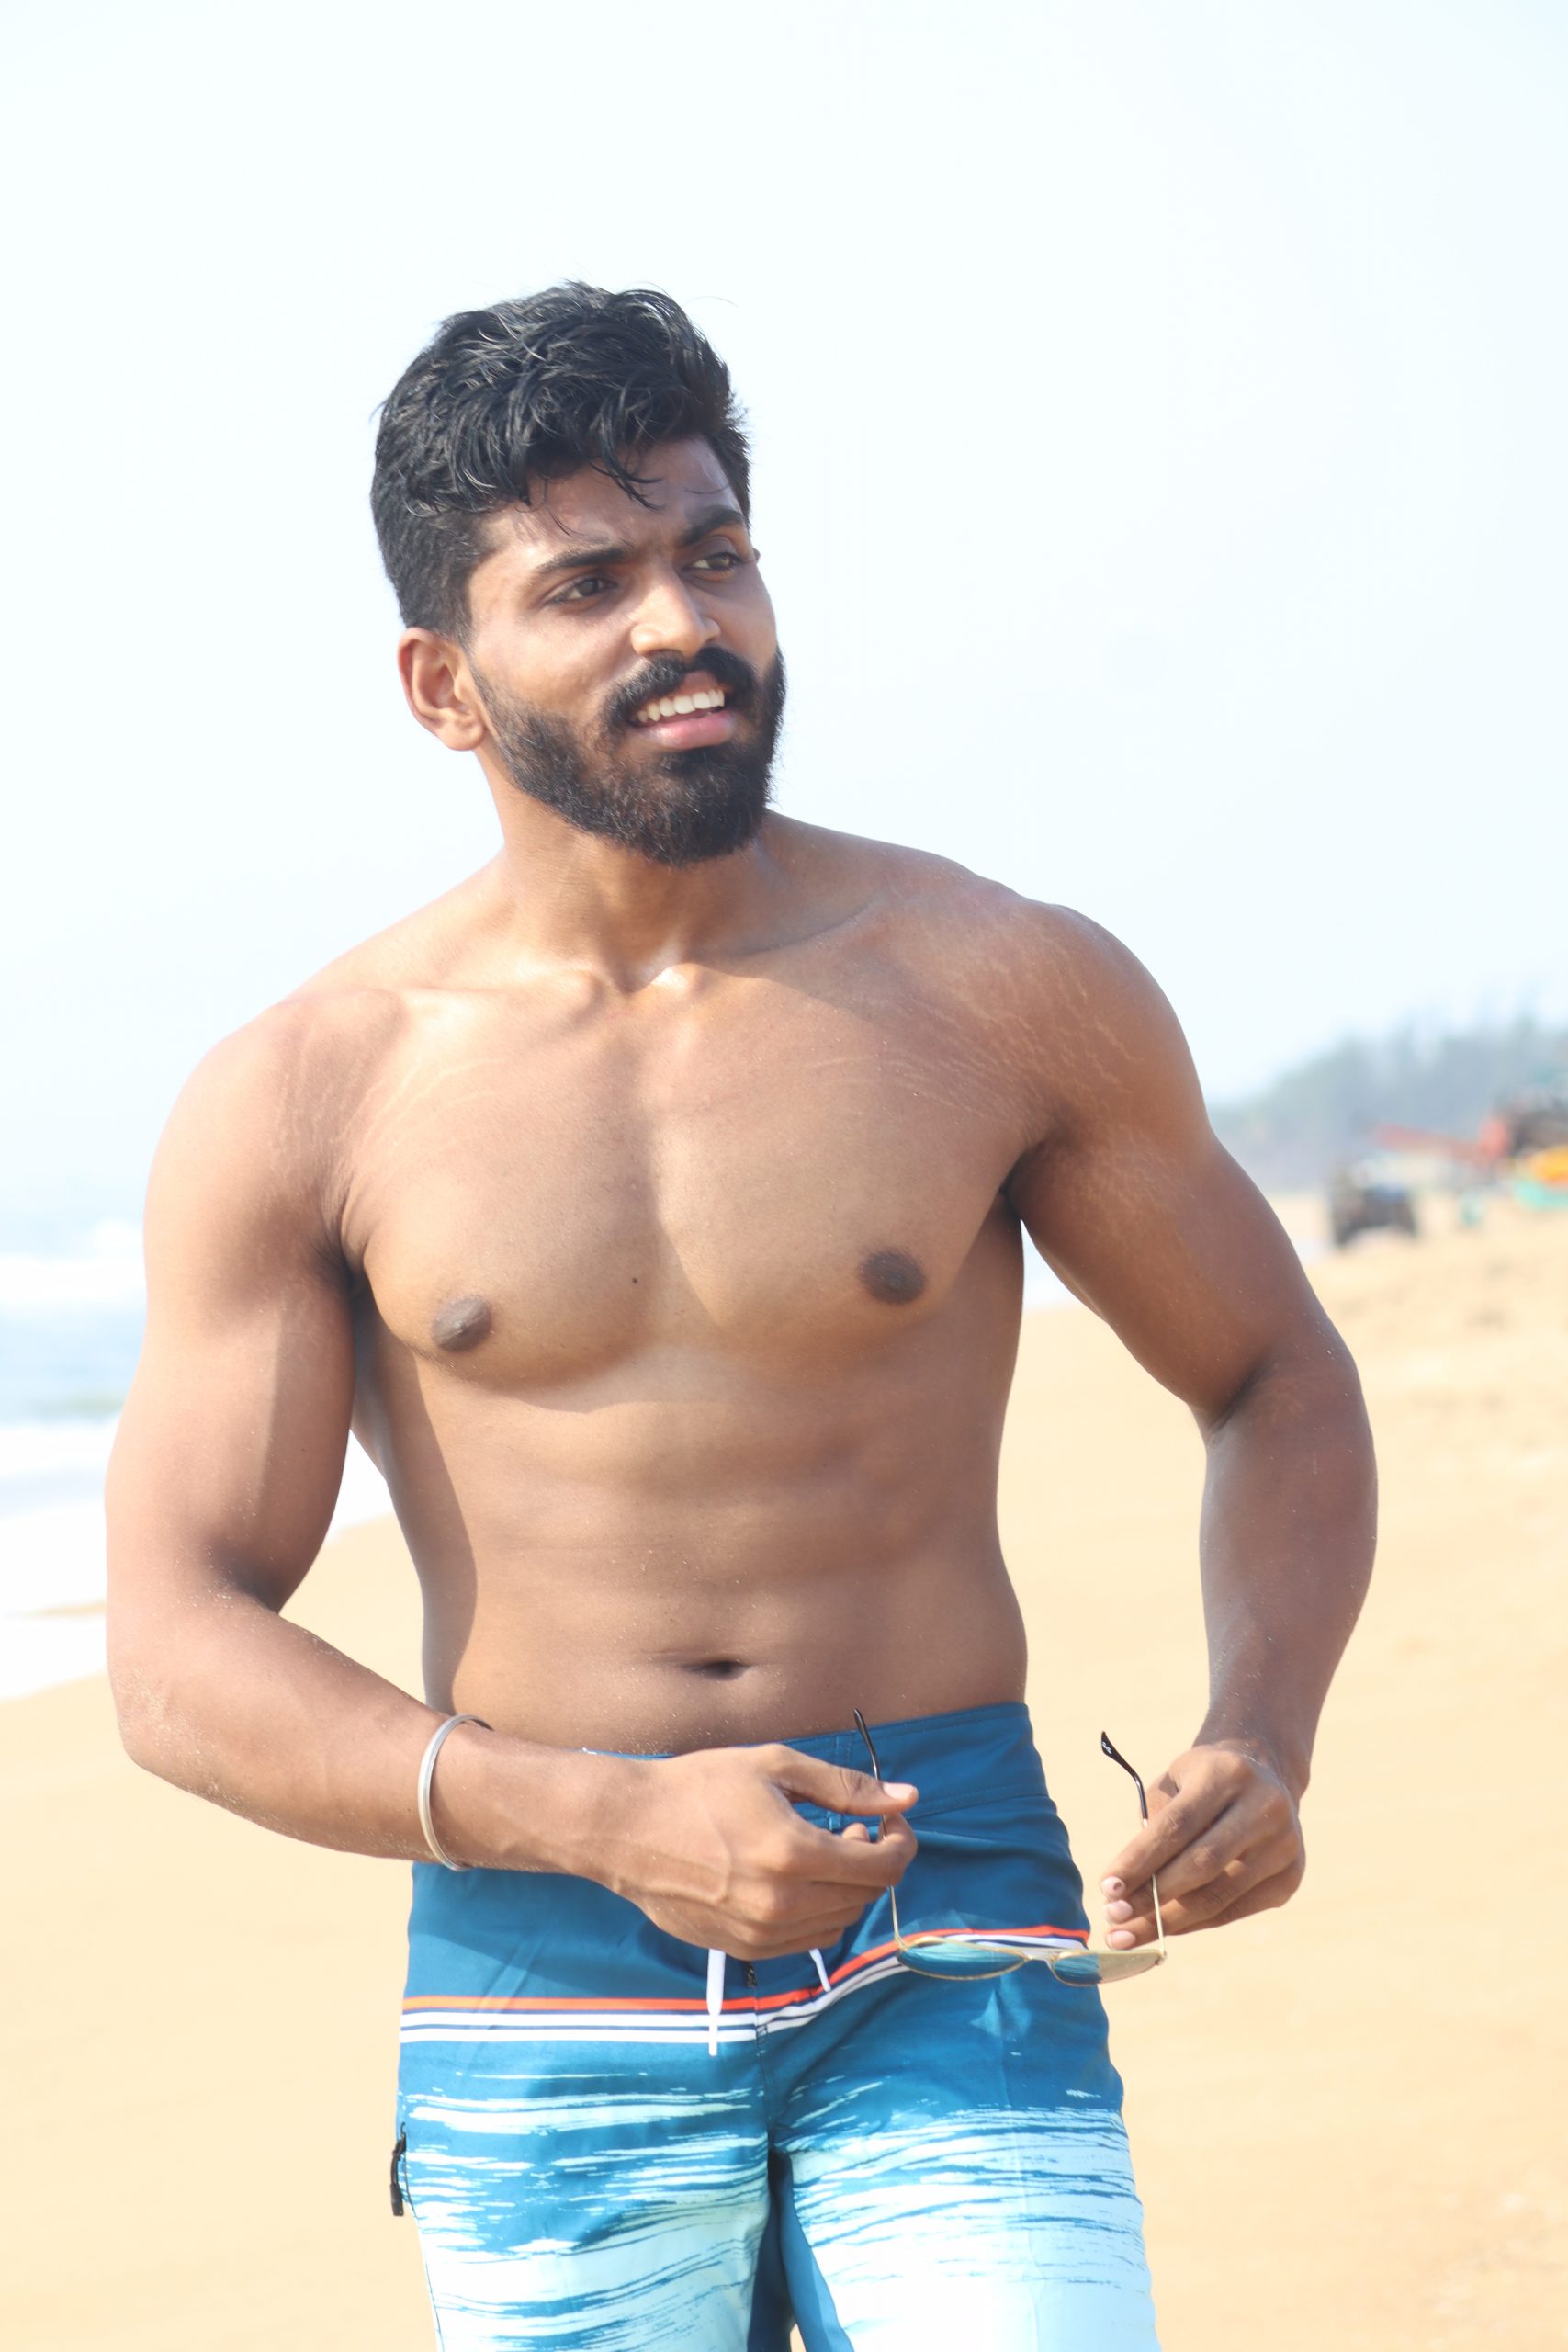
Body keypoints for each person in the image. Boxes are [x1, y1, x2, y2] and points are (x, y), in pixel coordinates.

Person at [106, 284, 1376, 2351]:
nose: (676, 623)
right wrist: (604, 1812)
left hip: (944, 1890)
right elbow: (170, 1646)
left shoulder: (991, 983)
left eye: (713, 553)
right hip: (544, 1930)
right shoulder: (308, 1090)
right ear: (441, 681)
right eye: (585, 582)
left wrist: (1262, 1721)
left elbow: (1270, 1372)